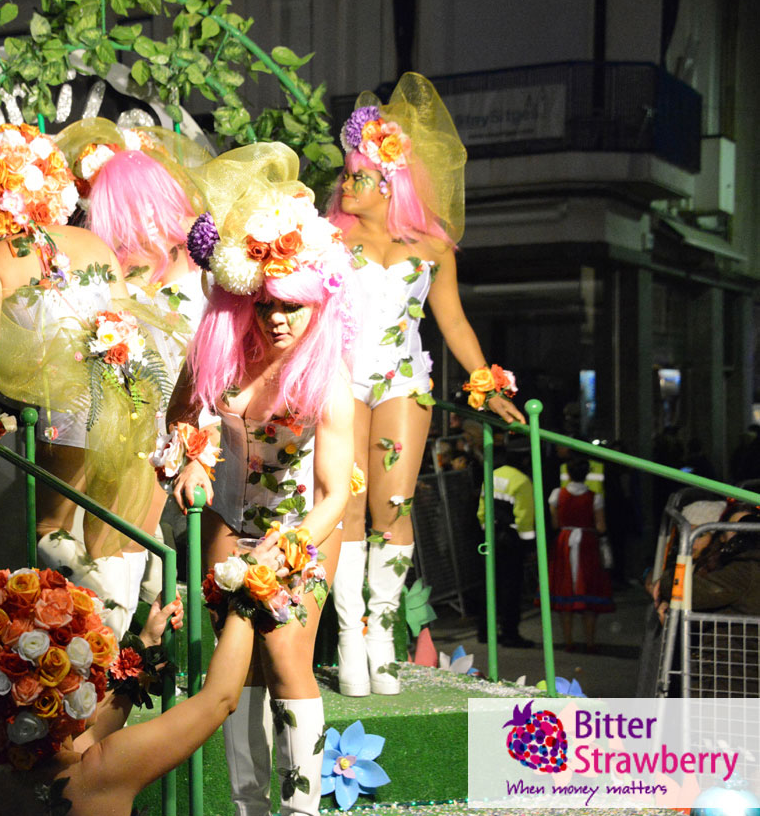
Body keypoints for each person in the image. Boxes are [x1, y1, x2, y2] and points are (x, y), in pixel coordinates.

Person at [167, 142, 356, 816]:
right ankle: (249, 806)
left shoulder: (329, 379)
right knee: (234, 663)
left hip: (302, 527)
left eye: (293, 305)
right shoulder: (215, 353)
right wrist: (189, 457)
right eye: (266, 302)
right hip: (227, 523)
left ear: (317, 303)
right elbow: (179, 423)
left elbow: (336, 492)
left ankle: (302, 809)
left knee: (284, 656)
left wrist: (289, 545)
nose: (277, 317)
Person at [326, 72, 526, 697]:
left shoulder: (435, 247)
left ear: (391, 184)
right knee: (348, 503)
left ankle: (381, 634)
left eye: (358, 175)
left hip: (403, 381)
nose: (345, 183)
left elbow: (455, 322)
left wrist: (485, 383)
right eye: (346, 173)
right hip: (340, 379)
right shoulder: (327, 238)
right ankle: (348, 637)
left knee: (394, 505)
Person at [0, 123, 165, 637]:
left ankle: (107, 637)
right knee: (118, 525)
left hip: (68, 404)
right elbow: (128, 319)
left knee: (51, 525)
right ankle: (145, 613)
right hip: (132, 388)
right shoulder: (95, 243)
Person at [0, 542, 274, 816]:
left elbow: (87, 738)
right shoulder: (103, 772)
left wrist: (146, 647)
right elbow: (220, 699)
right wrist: (245, 590)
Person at [51, 118, 211, 605]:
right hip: (119, 420)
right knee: (74, 530)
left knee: (110, 539)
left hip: (175, 429)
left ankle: (116, 640)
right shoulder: (119, 273)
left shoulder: (201, 278)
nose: (123, 237)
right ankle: (110, 637)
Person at [548, 458, 614, 652]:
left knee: (564, 589)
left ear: (567, 473)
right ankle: (590, 642)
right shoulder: (595, 497)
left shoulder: (556, 495)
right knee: (589, 590)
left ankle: (568, 641)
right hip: (587, 543)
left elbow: (554, 524)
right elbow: (601, 526)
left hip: (564, 542)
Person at [475, 440, 537, 648]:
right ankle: (510, 633)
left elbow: (482, 509)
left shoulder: (492, 475)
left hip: (490, 537)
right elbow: (525, 517)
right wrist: (529, 546)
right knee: (511, 588)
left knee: (489, 585)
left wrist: (486, 531)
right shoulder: (522, 481)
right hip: (511, 541)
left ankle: (485, 631)